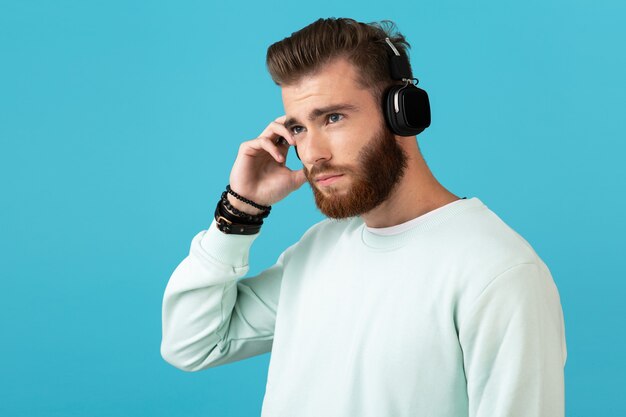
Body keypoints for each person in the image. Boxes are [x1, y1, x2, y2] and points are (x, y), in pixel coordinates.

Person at [160, 17, 567, 417]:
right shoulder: (319, 248)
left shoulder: (498, 271)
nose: (313, 152)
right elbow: (191, 344)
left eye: (333, 118)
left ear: (401, 113)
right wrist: (240, 209)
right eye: (298, 128)